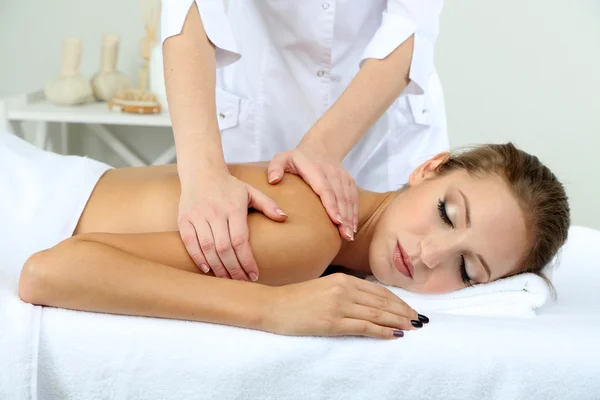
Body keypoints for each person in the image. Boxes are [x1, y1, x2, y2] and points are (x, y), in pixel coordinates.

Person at [15, 132, 570, 339]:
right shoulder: (310, 236)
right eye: (449, 214)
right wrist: (271, 309)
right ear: (430, 167)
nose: (428, 256)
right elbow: (49, 272)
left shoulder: (335, 233)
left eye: (467, 271)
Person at [161, 0, 449, 283]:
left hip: (383, 122)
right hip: (263, 102)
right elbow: (188, 6)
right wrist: (203, 172)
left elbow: (409, 25)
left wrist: (321, 147)